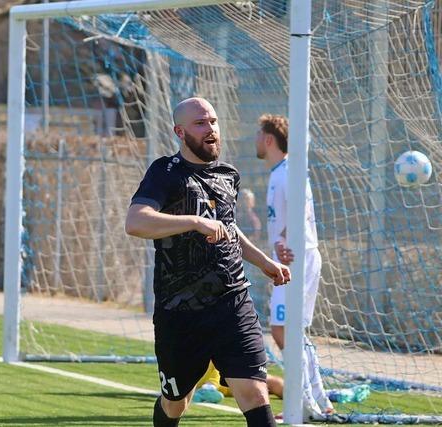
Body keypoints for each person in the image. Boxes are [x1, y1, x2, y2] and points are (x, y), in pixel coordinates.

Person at [125, 97, 290, 427]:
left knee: (255, 394)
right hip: (180, 312)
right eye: (200, 123)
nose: (210, 129)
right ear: (180, 132)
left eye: (213, 121)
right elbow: (136, 222)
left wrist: (262, 262)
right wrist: (194, 221)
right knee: (175, 403)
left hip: (232, 302)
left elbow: (227, 227)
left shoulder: (228, 175)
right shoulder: (165, 172)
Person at [255, 113, 333, 420]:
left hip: (297, 260)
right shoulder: (283, 172)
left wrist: (286, 243)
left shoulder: (287, 173)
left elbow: (299, 214)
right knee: (293, 331)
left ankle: (300, 404)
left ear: (269, 139)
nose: (255, 140)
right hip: (298, 257)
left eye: (258, 134)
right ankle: (318, 399)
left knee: (281, 330)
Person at [194, 361, 284, 402]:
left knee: (269, 382)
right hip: (229, 383)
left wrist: (211, 385)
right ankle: (205, 391)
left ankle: (295, 399)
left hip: (231, 379)